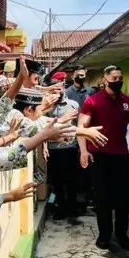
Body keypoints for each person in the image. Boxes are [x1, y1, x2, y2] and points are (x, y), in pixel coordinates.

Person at [78, 65, 129, 250]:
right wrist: (84, 151)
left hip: (121, 155)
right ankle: (104, 235)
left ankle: (121, 234)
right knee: (103, 199)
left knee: (124, 200)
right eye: (114, 78)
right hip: (99, 157)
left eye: (120, 78)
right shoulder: (92, 101)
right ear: (104, 80)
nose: (118, 81)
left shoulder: (128, 102)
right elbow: (81, 126)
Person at [46, 85, 82, 220]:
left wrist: (80, 147)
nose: (57, 92)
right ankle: (61, 208)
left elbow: (79, 126)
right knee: (56, 181)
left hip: (69, 148)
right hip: (53, 149)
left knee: (71, 181)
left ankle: (72, 208)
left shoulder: (73, 105)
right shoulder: (46, 106)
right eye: (54, 89)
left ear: (64, 88)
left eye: (59, 88)